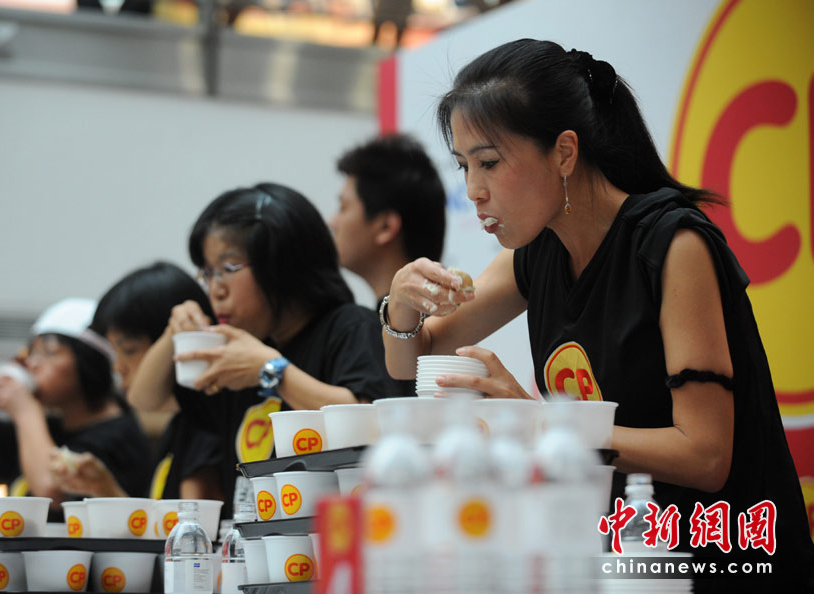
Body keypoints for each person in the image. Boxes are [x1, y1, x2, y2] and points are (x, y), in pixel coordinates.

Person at [381, 39, 813, 590]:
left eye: (488, 163)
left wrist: (535, 422)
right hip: (626, 562)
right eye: (463, 166)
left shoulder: (672, 244)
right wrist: (400, 305)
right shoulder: (537, 252)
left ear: (564, 152)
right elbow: (412, 361)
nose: (473, 191)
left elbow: (706, 455)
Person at [129, 182, 398, 515]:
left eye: (228, 268)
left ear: (283, 263)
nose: (215, 290)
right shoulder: (243, 349)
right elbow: (146, 399)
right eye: (207, 273)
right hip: (253, 539)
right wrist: (174, 332)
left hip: (330, 533)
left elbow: (366, 421)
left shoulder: (349, 326)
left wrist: (271, 371)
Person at [0, 298, 151, 516]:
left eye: (48, 352)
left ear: (88, 361)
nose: (32, 364)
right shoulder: (47, 428)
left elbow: (51, 491)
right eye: (31, 354)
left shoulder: (119, 435)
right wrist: (4, 375)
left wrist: (25, 410)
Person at [49, 262, 225, 502]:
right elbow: (159, 524)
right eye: (114, 351)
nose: (117, 366)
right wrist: (106, 490)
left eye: (129, 350)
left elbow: (195, 523)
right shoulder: (181, 423)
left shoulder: (206, 426)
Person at [331, 133, 447, 306]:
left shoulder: (422, 321)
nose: (332, 223)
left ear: (386, 227)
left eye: (343, 208)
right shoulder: (435, 313)